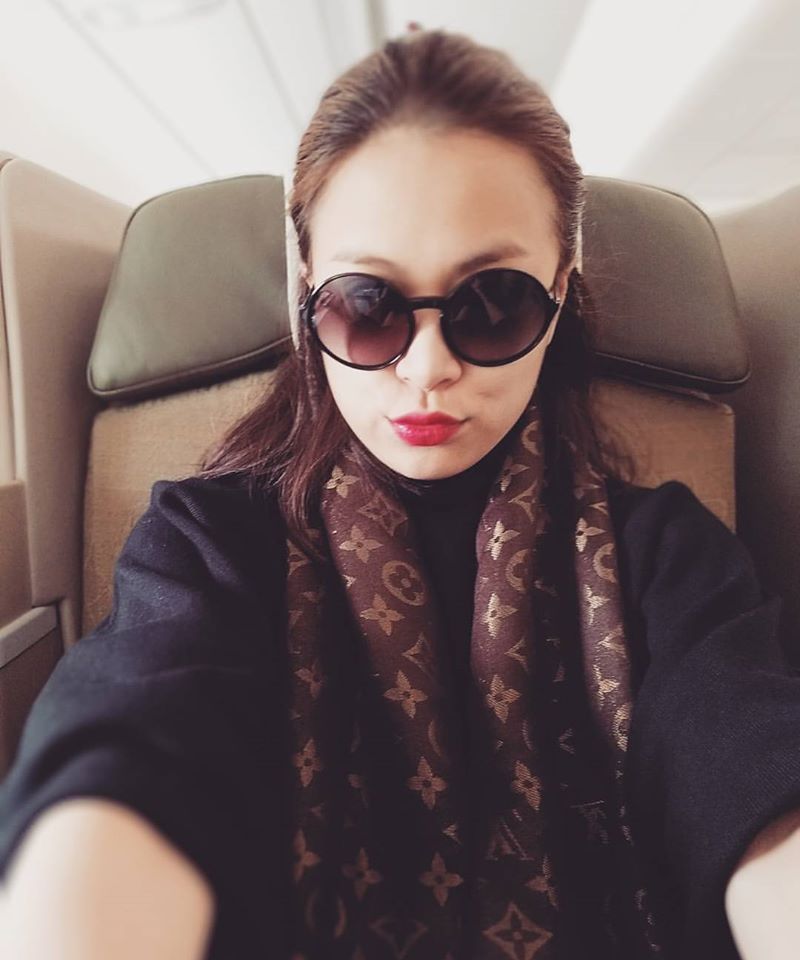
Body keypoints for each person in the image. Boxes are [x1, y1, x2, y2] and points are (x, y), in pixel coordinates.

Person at [0, 27, 798, 960]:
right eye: (367, 306)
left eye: (494, 304)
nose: (428, 369)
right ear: (309, 295)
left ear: (560, 292)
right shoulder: (206, 539)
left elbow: (746, 761)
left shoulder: (665, 552)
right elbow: (136, 745)